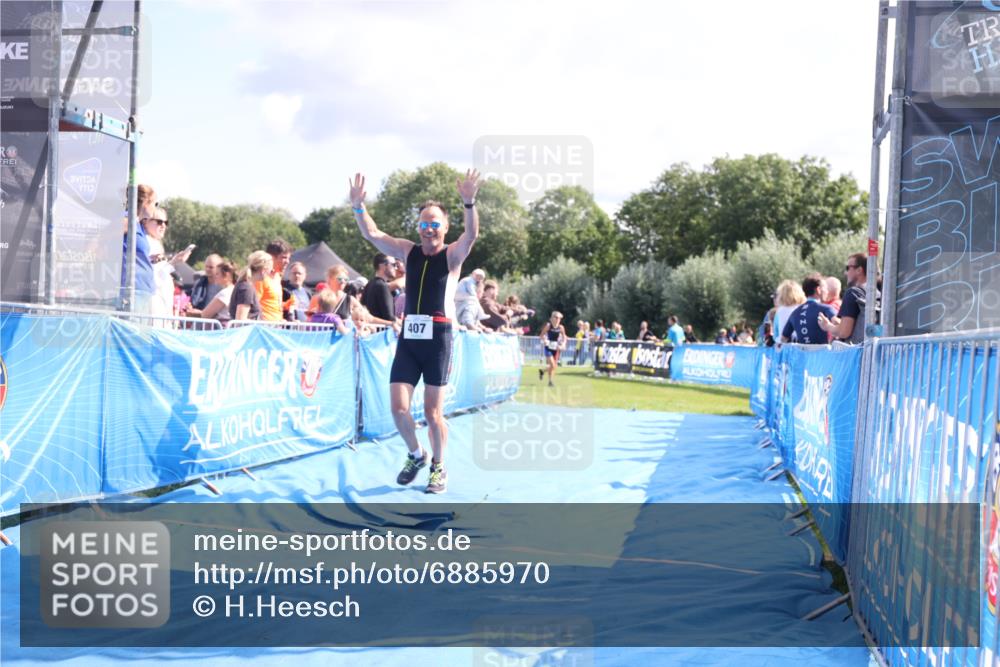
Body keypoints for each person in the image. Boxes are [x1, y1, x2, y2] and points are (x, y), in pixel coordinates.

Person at [350, 169, 482, 494]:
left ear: (444, 228)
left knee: (433, 413)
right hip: (410, 339)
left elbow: (472, 236)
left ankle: (438, 466)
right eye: (423, 224)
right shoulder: (408, 251)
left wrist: (469, 203)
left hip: (439, 340)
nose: (428, 229)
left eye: (435, 224)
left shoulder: (452, 255)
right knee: (398, 408)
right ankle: (416, 454)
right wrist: (357, 207)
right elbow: (373, 234)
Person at [144, 206, 192, 320]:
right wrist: (173, 262)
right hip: (153, 310)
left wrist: (172, 262)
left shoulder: (155, 243)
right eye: (159, 222)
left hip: (161, 309)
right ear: (146, 222)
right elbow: (153, 279)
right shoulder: (147, 244)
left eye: (166, 222)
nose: (163, 225)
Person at [819, 253, 877, 344]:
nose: (846, 273)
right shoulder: (878, 293)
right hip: (874, 350)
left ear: (859, 270)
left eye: (848, 268)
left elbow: (844, 332)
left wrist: (827, 326)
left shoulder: (852, 293)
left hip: (857, 353)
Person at [781, 273, 836, 345]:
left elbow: (783, 338)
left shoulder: (795, 313)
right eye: (825, 288)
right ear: (818, 290)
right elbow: (838, 324)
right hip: (822, 354)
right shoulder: (826, 309)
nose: (827, 291)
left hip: (803, 355)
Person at [256, 239, 292, 321]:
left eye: (289, 258)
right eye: (284, 257)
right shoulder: (261, 277)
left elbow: (271, 303)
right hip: (264, 327)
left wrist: (286, 306)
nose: (287, 262)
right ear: (271, 257)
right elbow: (254, 304)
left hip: (276, 326)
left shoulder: (277, 277)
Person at [230, 251, 272, 321]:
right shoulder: (246, 288)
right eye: (271, 270)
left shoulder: (246, 286)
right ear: (263, 270)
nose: (271, 272)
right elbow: (240, 320)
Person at [361, 252, 398, 322]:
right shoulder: (382, 286)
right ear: (382, 266)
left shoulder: (369, 284)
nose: (396, 268)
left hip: (373, 330)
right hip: (382, 331)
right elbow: (389, 317)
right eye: (394, 265)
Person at [538, 311, 567, 387]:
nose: (558, 319)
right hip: (548, 347)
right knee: (552, 365)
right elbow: (541, 335)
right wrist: (545, 340)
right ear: (552, 318)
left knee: (553, 366)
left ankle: (543, 372)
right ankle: (550, 382)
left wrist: (563, 344)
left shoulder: (561, 327)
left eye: (559, 318)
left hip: (556, 348)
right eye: (556, 317)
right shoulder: (548, 326)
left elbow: (564, 337)